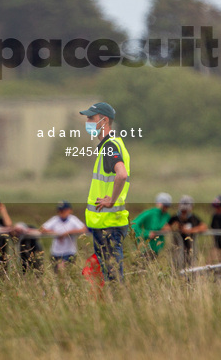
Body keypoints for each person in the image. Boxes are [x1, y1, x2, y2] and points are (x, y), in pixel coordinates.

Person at [81, 102, 130, 281]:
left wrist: (111, 200)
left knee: (114, 278)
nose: (87, 122)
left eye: (91, 118)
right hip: (105, 223)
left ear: (104, 120)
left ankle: (119, 307)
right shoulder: (111, 145)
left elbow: (122, 175)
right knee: (111, 276)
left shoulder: (110, 146)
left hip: (108, 224)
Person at [40, 201, 87, 271]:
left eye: (64, 210)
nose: (61, 212)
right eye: (60, 211)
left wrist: (67, 233)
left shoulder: (73, 219)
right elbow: (43, 229)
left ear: (69, 210)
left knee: (62, 269)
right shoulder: (55, 219)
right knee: (57, 273)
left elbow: (83, 229)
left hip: (69, 252)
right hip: (55, 252)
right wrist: (57, 234)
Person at [168, 195, 208, 268]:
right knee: (176, 266)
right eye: (183, 210)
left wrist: (190, 230)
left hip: (191, 249)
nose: (184, 212)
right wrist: (174, 227)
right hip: (177, 249)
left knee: (191, 267)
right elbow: (165, 227)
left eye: (186, 210)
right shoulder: (174, 218)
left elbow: (204, 227)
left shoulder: (193, 218)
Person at [131, 193, 173, 258]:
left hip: (157, 250)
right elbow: (133, 225)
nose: (165, 208)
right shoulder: (150, 213)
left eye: (167, 206)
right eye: (164, 206)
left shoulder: (167, 216)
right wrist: (146, 233)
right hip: (144, 248)